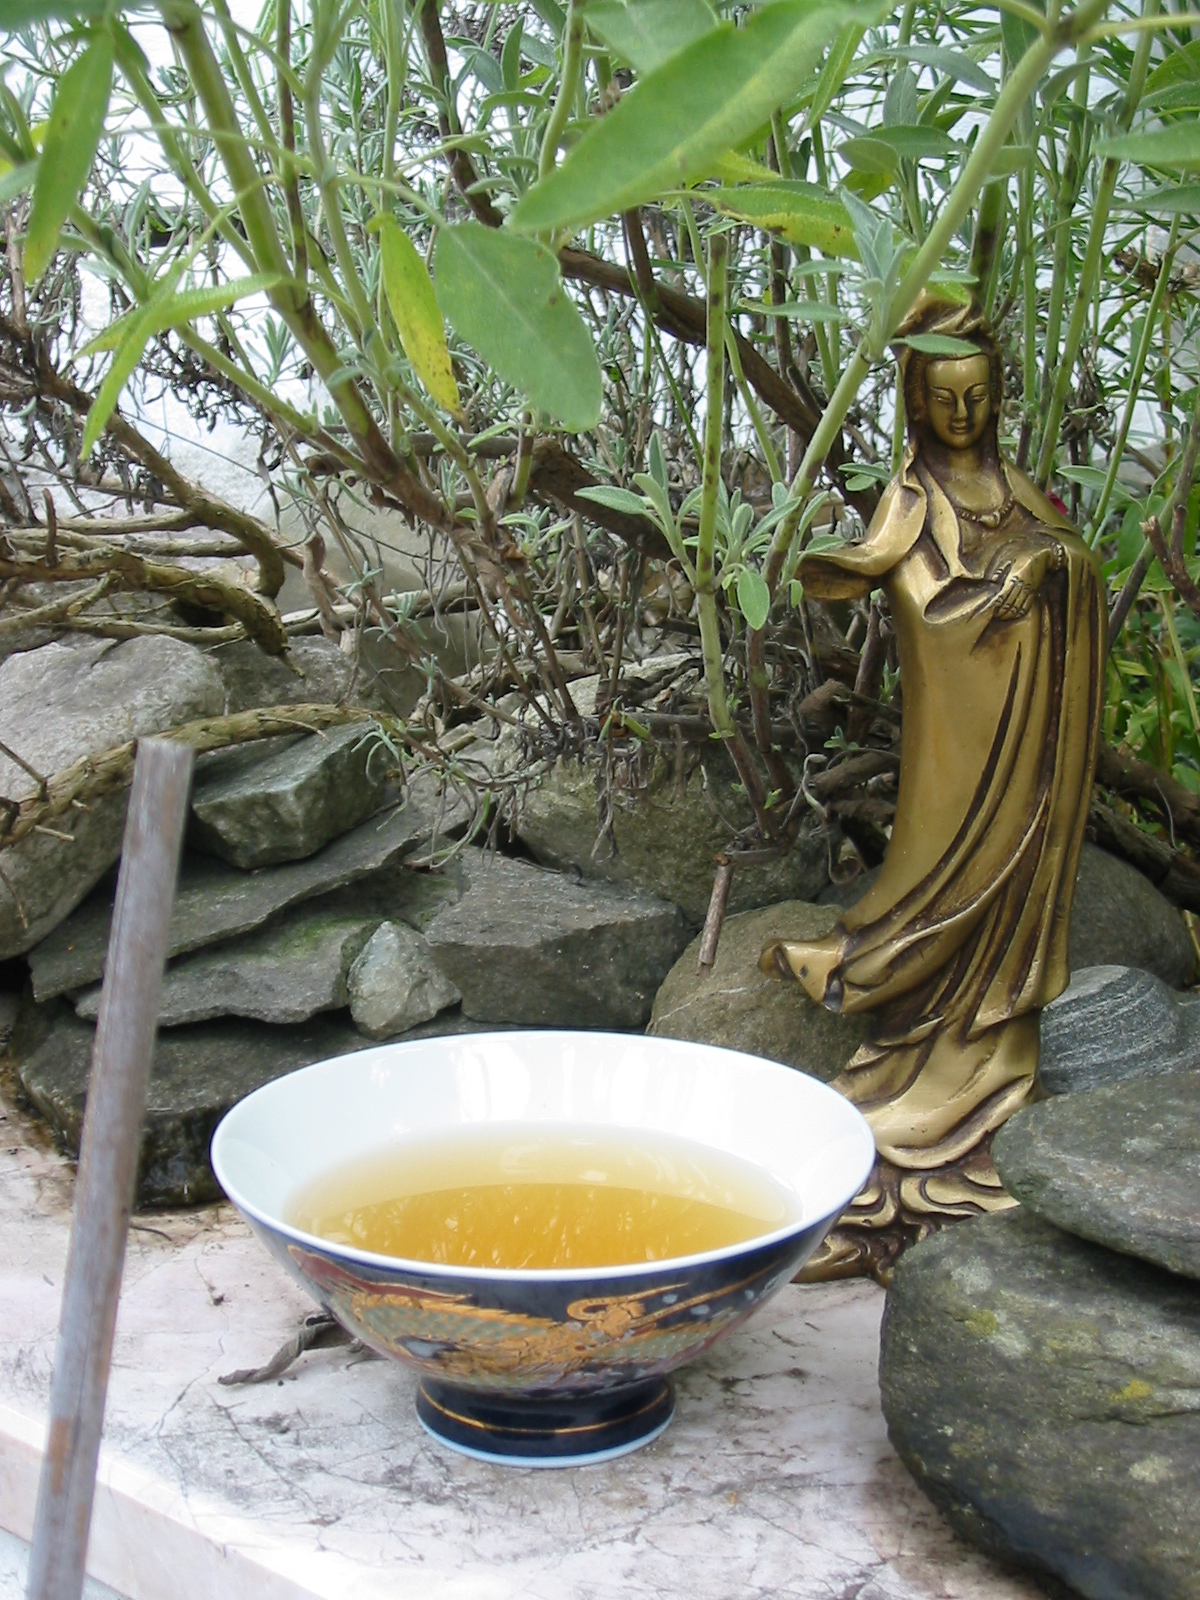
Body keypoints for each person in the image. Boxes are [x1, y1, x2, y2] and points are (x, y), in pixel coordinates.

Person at [762, 294, 1106, 1281]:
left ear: (998, 400)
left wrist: (1051, 566)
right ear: (917, 402)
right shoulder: (915, 499)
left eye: (979, 397)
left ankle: (978, 1120)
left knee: (1006, 928)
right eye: (944, 398)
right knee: (937, 891)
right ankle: (902, 1092)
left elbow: (1069, 557)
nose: (963, 415)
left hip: (1026, 759)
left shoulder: (1017, 489)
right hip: (960, 760)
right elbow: (911, 588)